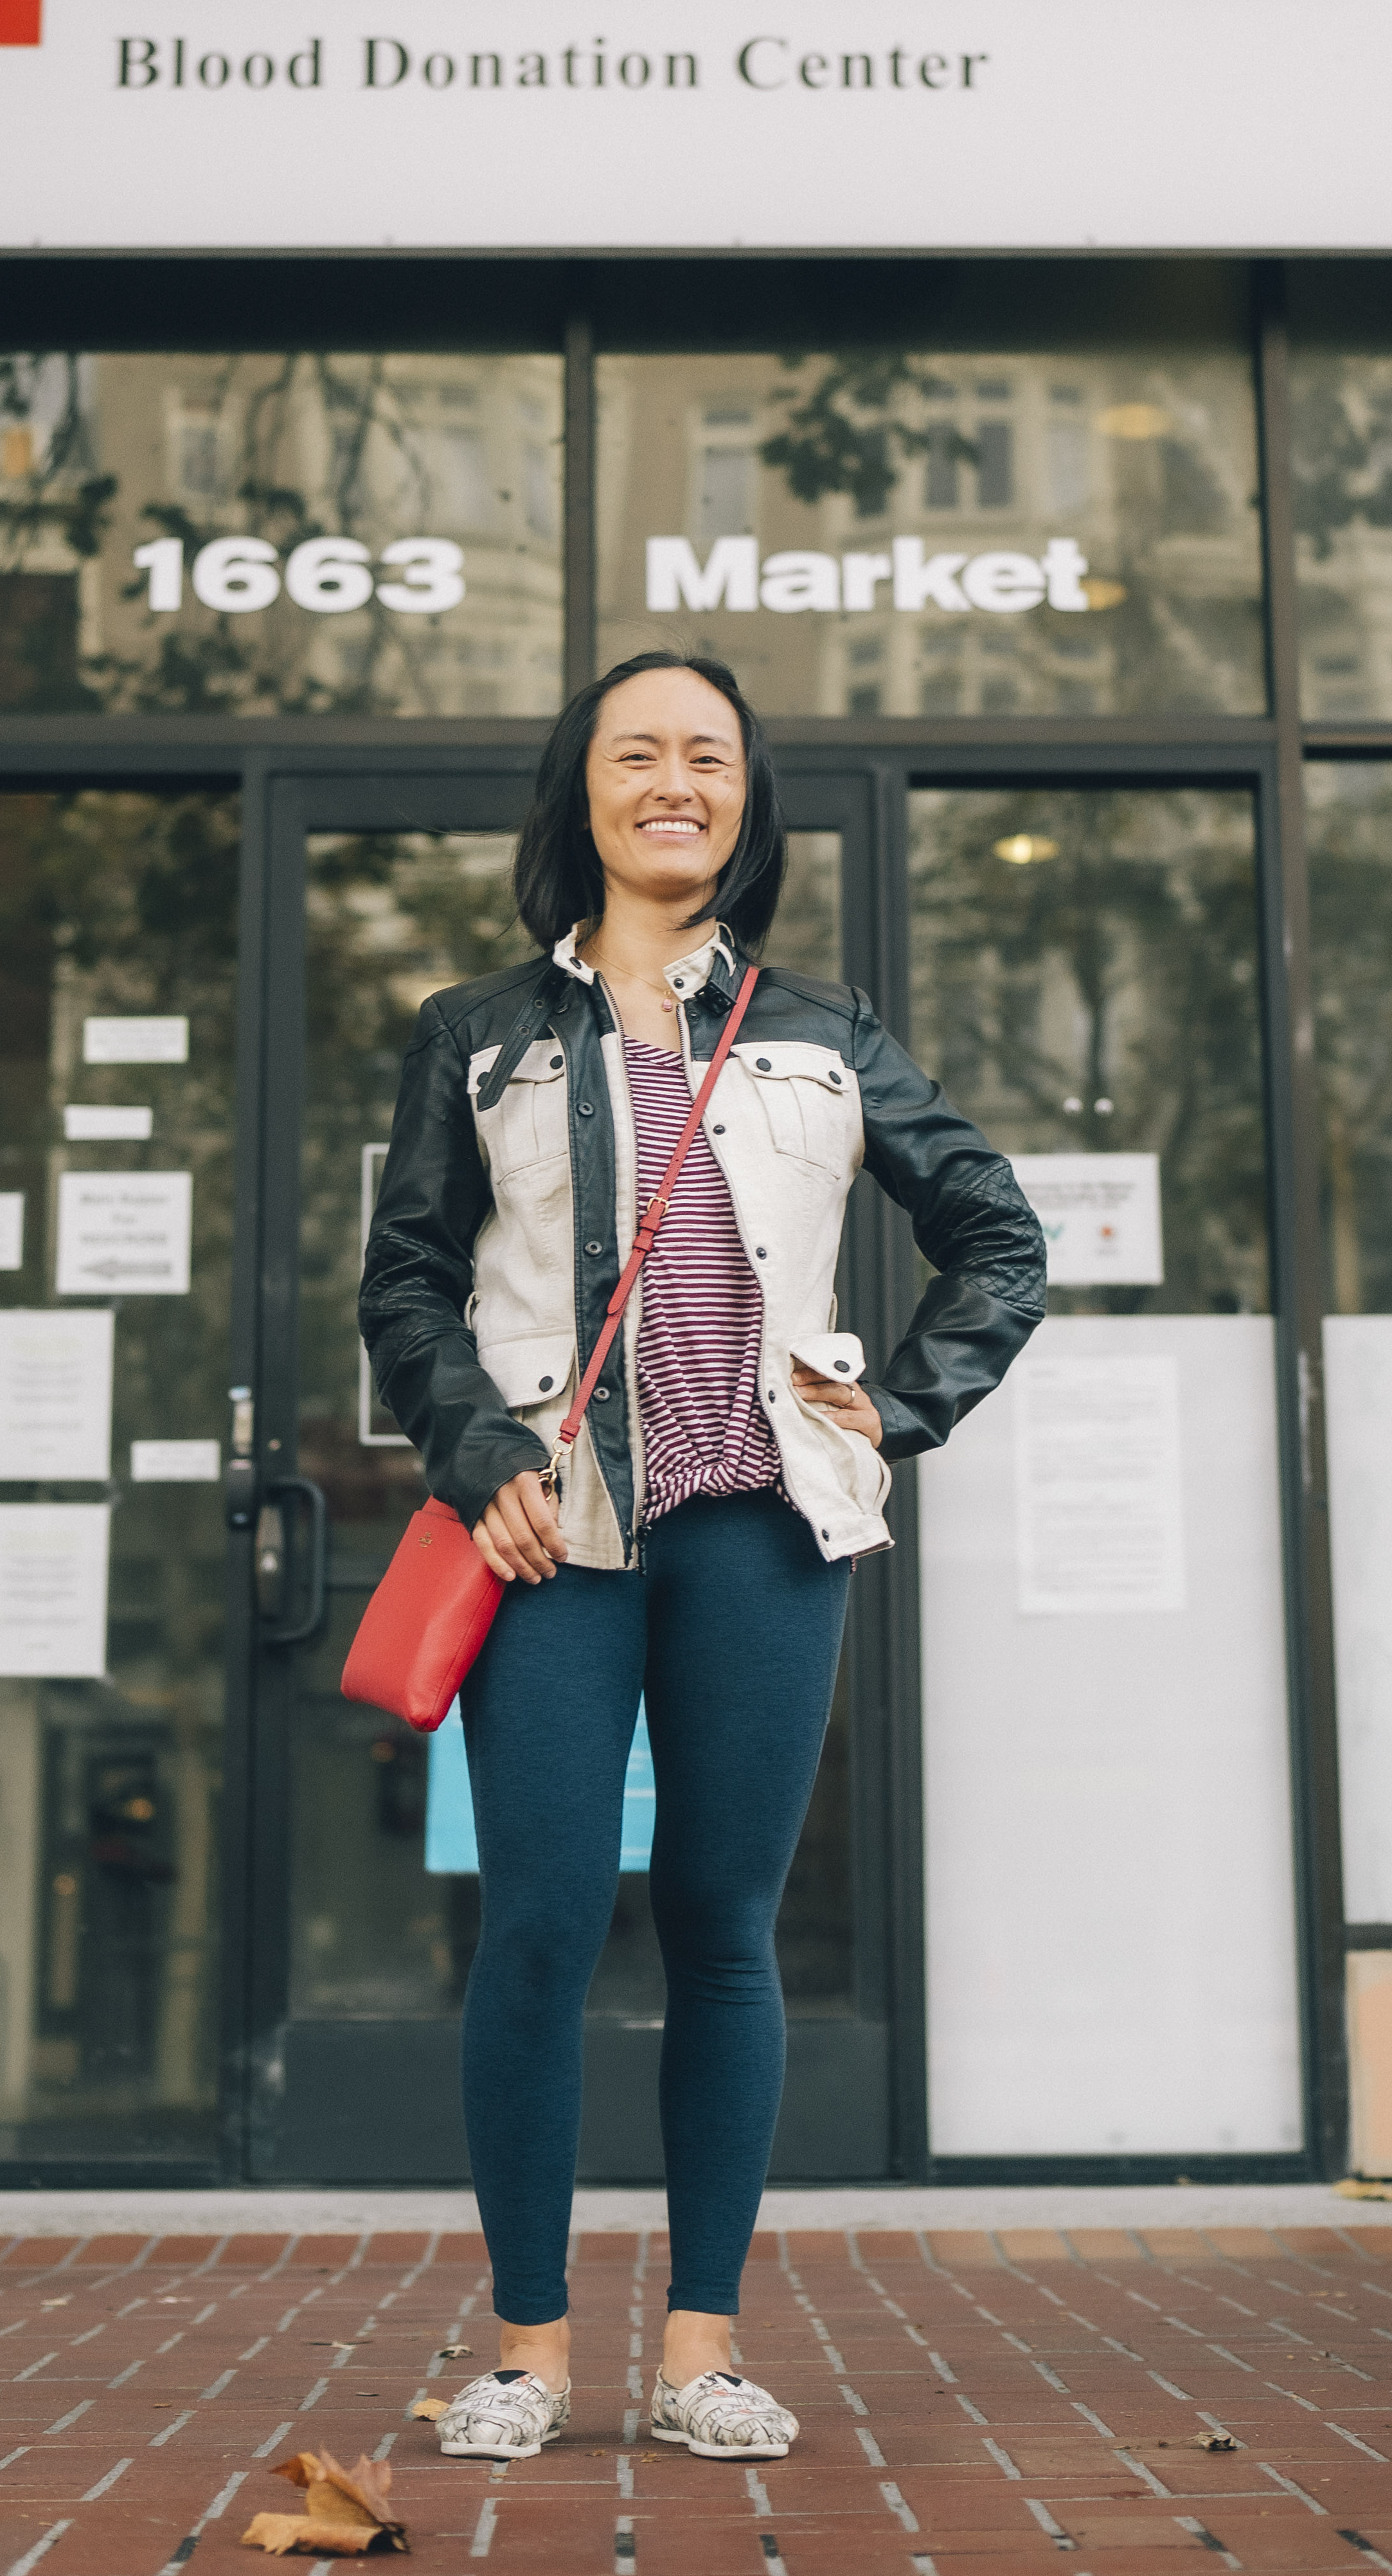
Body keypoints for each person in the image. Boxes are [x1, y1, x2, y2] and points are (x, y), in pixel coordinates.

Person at [361, 649, 1044, 2464]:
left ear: (746, 801)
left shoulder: (822, 1031)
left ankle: (699, 2349)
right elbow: (406, 1283)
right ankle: (523, 2346)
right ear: (577, 792)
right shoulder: (475, 1028)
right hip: (550, 1542)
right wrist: (478, 1443)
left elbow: (997, 1235)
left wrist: (890, 1415)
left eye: (710, 756)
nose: (676, 778)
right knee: (537, 1928)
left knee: (726, 1935)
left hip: (762, 1536)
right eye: (637, 751)